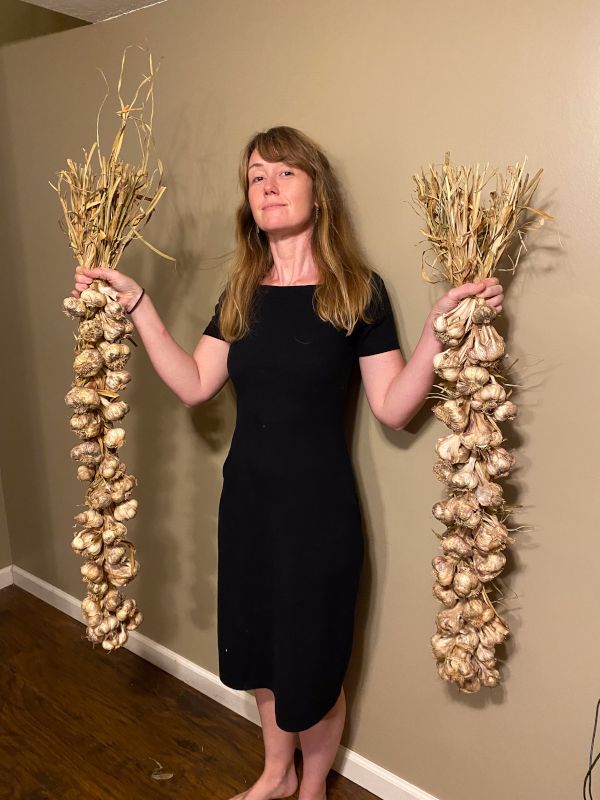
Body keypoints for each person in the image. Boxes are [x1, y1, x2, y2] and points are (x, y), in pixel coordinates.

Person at [71, 126, 503, 800]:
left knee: (314, 662)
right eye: (255, 177)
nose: (268, 186)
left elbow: (393, 406)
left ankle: (311, 789)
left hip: (320, 517)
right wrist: (136, 305)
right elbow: (192, 384)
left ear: (316, 192)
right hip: (246, 506)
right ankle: (274, 775)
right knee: (262, 653)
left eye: (284, 173)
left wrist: (438, 333)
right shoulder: (243, 291)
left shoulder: (358, 291)